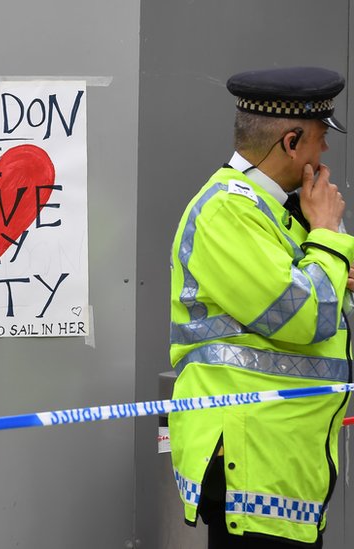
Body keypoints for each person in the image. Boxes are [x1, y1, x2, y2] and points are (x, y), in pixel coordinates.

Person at [168, 66, 354, 548]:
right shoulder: (226, 211)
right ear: (291, 142)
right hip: (251, 466)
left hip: (279, 465)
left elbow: (320, 296)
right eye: (319, 138)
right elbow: (304, 316)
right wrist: (329, 239)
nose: (325, 151)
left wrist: (332, 266)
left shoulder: (271, 213)